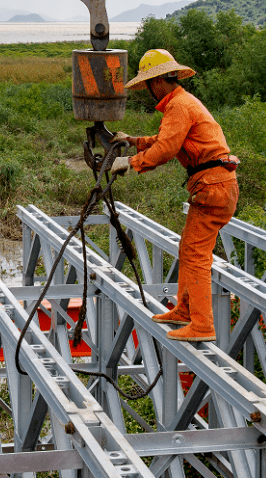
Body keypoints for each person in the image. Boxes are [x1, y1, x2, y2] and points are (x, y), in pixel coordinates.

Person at [109, 49, 239, 342]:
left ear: (157, 82)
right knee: (188, 249)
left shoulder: (178, 106)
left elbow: (166, 149)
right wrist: (132, 142)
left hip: (213, 185)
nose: (150, 90)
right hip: (215, 184)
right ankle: (184, 309)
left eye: (149, 85)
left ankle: (202, 326)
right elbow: (165, 140)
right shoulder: (181, 104)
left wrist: (132, 162)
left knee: (195, 254)